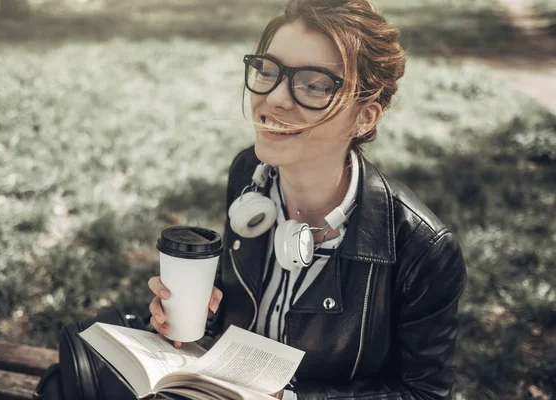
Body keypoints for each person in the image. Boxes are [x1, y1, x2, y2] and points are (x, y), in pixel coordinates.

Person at [148, 0, 467, 399]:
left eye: (314, 84)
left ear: (365, 116)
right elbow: (233, 312)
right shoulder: (248, 172)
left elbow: (423, 394)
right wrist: (190, 319)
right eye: (267, 71)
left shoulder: (424, 250)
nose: (275, 99)